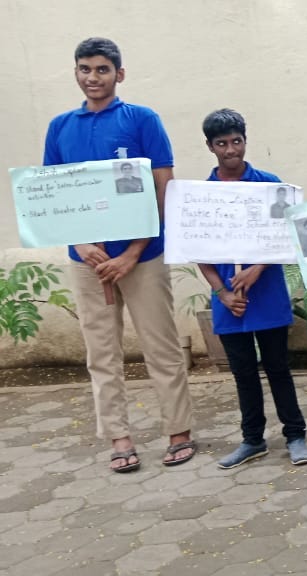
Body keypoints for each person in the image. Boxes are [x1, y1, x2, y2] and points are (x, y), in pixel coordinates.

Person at [43, 38, 195, 473]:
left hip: (142, 257)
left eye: (102, 70)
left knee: (161, 347)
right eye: (85, 69)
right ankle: (119, 436)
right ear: (76, 73)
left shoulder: (142, 120)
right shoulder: (60, 127)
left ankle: (178, 431)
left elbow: (162, 188)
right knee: (101, 352)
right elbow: (54, 193)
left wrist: (132, 252)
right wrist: (82, 245)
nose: (93, 77)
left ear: (119, 75)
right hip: (87, 262)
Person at [195, 108, 307, 469]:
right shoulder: (202, 195)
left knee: (278, 367)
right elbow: (198, 249)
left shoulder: (268, 184)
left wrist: (257, 270)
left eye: (236, 141)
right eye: (222, 143)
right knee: (243, 373)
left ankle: (295, 434)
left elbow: (285, 235)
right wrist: (223, 292)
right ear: (210, 147)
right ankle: (252, 440)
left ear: (245, 141)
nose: (231, 150)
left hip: (266, 294)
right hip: (230, 302)